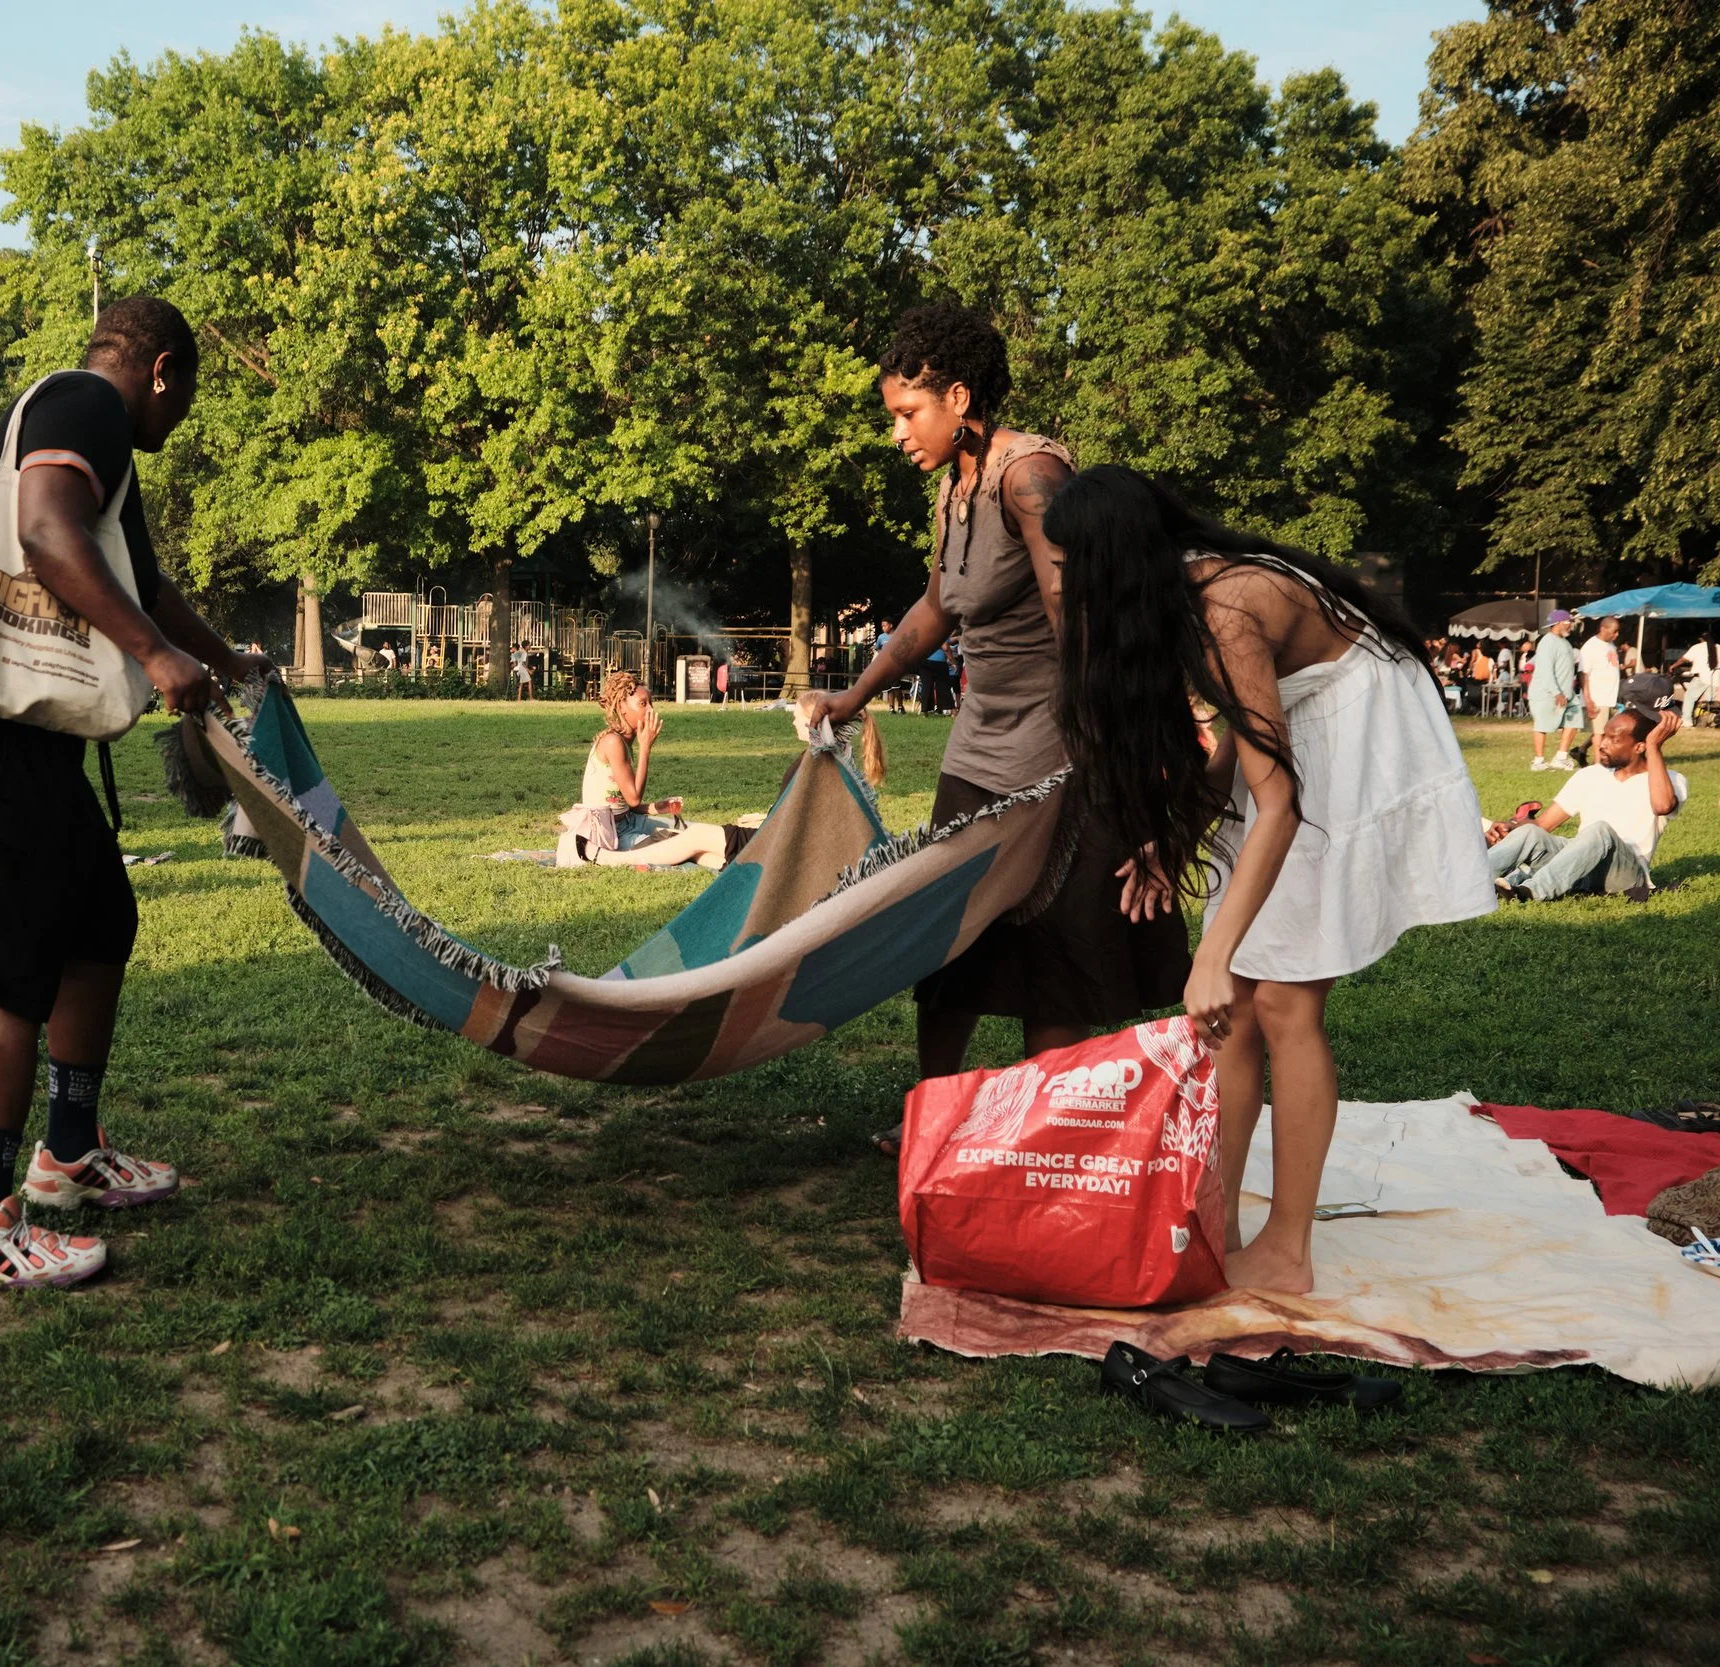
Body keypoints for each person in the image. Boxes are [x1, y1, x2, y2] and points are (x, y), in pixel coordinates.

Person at [0, 297, 275, 1290]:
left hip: (12, 723)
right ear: (165, 371)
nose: (177, 424)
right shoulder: (88, 403)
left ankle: (68, 1153)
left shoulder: (92, 433)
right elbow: (50, 534)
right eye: (186, 401)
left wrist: (222, 658)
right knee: (14, 969)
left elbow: (144, 583)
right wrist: (151, 657)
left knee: (99, 923)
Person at [1045, 465, 1493, 1295]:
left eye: (1072, 566)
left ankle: (1287, 1252)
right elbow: (1243, 742)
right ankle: (1221, 1222)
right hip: (1305, 728)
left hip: (1360, 724)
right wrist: (1174, 845)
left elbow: (1279, 800)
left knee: (1282, 999)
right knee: (1238, 1014)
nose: (1064, 582)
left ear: (1111, 560)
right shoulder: (1192, 604)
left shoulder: (1225, 608)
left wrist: (1211, 952)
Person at [816, 303, 1189, 1091]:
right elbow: (932, 612)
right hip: (979, 748)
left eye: (907, 413)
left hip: (1058, 757)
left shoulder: (1030, 477)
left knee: (1054, 952)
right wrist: (851, 698)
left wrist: (1124, 775)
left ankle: (1035, 1130)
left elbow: (1082, 627)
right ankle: (932, 1108)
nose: (897, 433)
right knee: (947, 936)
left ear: (958, 397)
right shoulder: (957, 487)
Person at [1486, 710, 1683, 901]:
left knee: (1599, 830)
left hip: (1626, 874)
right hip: (1582, 862)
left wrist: (1654, 747)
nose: (1602, 745)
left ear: (1640, 747)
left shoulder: (1669, 779)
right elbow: (1543, 825)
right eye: (1603, 736)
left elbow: (1662, 806)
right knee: (1530, 832)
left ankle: (1528, 892)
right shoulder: (1590, 775)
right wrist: (1510, 828)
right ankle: (1470, 880)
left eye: (1613, 740)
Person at [568, 670, 743, 870]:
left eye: (651, 703)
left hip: (630, 821)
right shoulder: (612, 742)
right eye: (643, 704)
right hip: (612, 834)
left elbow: (625, 804)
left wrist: (656, 807)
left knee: (689, 830)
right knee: (682, 846)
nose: (651, 709)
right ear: (621, 707)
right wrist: (645, 748)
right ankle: (735, 868)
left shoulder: (623, 741)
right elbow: (633, 798)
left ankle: (741, 858)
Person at [1528, 611, 1582, 771]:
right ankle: (1538, 761)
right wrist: (1556, 692)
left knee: (1575, 720)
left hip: (1567, 694)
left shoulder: (1565, 642)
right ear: (1560, 623)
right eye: (1569, 622)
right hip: (1546, 693)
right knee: (1542, 725)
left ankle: (1561, 757)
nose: (1571, 625)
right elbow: (1545, 670)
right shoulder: (1547, 642)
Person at [1580, 615, 1623, 739]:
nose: (1617, 634)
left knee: (1607, 730)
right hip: (1598, 697)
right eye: (1614, 631)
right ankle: (1599, 759)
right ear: (1603, 629)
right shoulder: (1591, 647)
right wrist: (1588, 699)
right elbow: (1584, 674)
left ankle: (1582, 750)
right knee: (1599, 733)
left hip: (1610, 697)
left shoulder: (1611, 645)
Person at [1674, 634, 1720, 724]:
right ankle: (1711, 720)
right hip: (1715, 679)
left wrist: (1673, 666)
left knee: (1689, 698)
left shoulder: (1697, 647)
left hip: (1702, 677)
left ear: (1700, 638)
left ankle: (1687, 721)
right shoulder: (1719, 647)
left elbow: (1684, 659)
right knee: (1708, 701)